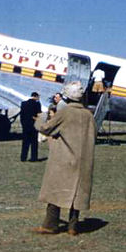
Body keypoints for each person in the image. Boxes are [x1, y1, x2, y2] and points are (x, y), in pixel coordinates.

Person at [33, 81, 96, 236]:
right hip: (84, 160)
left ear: (66, 96)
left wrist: (41, 117)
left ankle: (50, 225)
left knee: (55, 190)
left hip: (64, 158)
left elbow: (45, 129)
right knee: (78, 194)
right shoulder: (88, 115)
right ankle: (73, 226)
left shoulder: (65, 112)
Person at [19, 92, 42, 162]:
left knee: (25, 142)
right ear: (36, 96)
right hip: (34, 126)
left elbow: (21, 115)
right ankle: (33, 158)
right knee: (34, 143)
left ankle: (23, 157)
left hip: (25, 126)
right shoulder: (37, 104)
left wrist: (23, 124)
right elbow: (39, 115)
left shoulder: (23, 103)